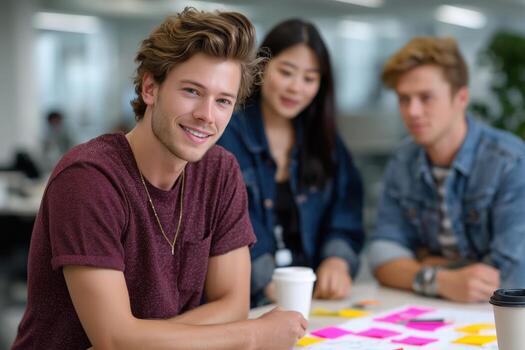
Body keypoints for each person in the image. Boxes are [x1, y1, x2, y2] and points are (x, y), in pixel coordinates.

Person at [12, 8, 307, 350]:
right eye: (192, 91)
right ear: (151, 88)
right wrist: (255, 334)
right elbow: (113, 339)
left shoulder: (220, 172)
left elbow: (233, 305)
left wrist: (140, 340)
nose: (206, 116)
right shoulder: (89, 178)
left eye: (223, 101)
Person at [218, 19, 364, 307]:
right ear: (262, 67)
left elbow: (344, 212)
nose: (296, 88)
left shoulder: (325, 141)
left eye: (309, 78)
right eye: (286, 72)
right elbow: (228, 229)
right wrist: (268, 282)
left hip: (312, 299)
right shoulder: (227, 136)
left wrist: (337, 260)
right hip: (250, 301)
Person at [369, 36, 525, 303]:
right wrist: (441, 280)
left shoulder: (509, 160)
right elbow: (382, 256)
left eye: (426, 97)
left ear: (461, 97)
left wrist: (422, 261)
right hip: (434, 310)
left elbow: (510, 278)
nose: (412, 111)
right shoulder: (404, 159)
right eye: (404, 99)